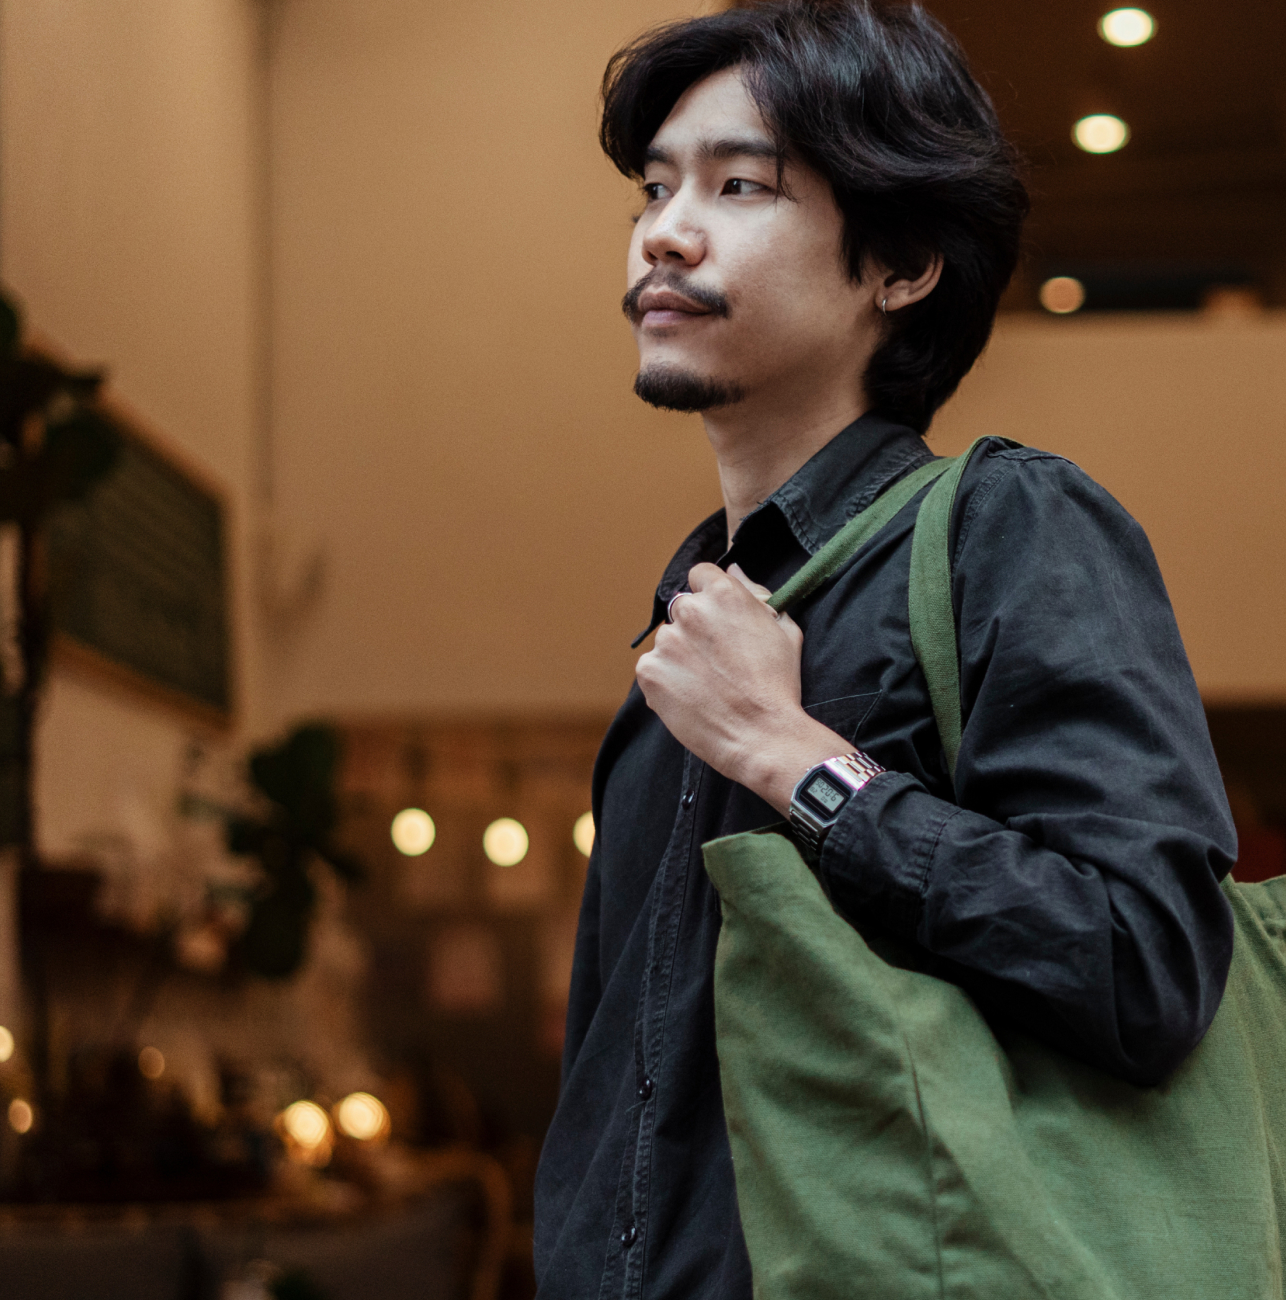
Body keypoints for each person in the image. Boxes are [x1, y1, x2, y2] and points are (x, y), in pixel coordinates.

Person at [530, 4, 1240, 1296]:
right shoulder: (676, 663)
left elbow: (1148, 965)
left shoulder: (1005, 529)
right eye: (653, 187)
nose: (662, 232)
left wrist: (795, 759)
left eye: (739, 185)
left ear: (901, 261)